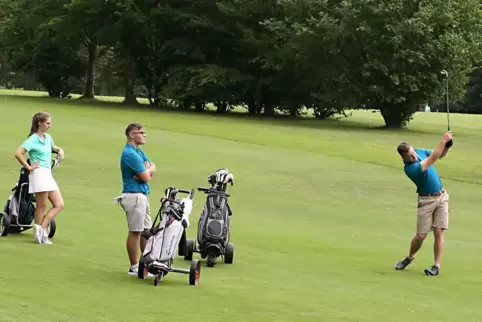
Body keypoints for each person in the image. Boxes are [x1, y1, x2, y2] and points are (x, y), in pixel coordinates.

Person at [394, 131, 453, 276]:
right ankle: (409, 257)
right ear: (404, 157)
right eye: (410, 155)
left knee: (439, 231)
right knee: (421, 235)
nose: (414, 156)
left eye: (413, 152)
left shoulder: (419, 151)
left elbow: (438, 154)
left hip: (442, 196)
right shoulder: (410, 169)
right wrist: (443, 140)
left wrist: (447, 147)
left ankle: (436, 266)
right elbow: (432, 158)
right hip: (426, 201)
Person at [14, 112, 65, 244]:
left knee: (59, 204)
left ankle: (42, 228)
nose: (50, 126)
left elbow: (52, 148)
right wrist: (28, 167)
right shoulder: (32, 140)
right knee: (41, 205)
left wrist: (60, 150)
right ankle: (40, 234)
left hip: (47, 173)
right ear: (40, 123)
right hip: (38, 173)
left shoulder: (48, 138)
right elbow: (18, 153)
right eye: (48, 123)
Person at [117, 122, 156, 275]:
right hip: (133, 195)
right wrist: (146, 172)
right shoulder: (129, 154)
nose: (144, 135)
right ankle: (134, 267)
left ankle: (147, 264)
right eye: (141, 132)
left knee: (146, 232)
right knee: (135, 232)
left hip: (142, 195)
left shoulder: (138, 151)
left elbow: (152, 167)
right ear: (132, 135)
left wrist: (147, 170)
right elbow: (146, 177)